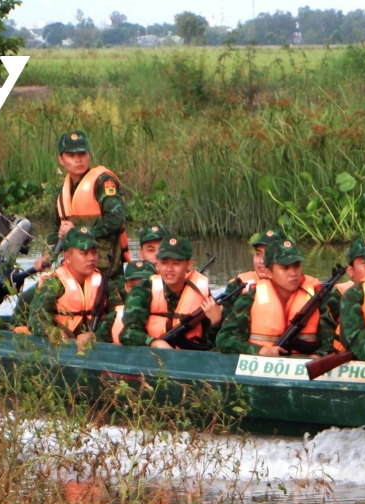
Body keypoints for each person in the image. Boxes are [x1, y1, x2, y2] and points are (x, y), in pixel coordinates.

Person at [214, 239, 331, 357]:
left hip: (305, 366)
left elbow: (330, 339)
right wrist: (259, 350)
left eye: (297, 266)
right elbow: (224, 339)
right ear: (269, 272)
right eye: (285, 268)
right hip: (260, 366)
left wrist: (319, 355)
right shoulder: (250, 298)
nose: (293, 273)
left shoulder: (315, 298)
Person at [50, 131, 128, 286]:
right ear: (61, 159)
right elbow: (57, 231)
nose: (78, 159)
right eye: (71, 155)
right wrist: (48, 255)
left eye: (82, 154)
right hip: (74, 270)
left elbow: (116, 220)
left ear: (89, 155)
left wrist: (77, 230)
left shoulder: (104, 182)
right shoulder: (63, 192)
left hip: (106, 269)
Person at [117, 236, 221, 349]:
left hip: (191, 360)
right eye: (164, 263)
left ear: (189, 264)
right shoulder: (144, 289)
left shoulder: (201, 292)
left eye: (176, 263)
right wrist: (154, 343)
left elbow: (211, 345)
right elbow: (128, 333)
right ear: (157, 264)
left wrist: (216, 323)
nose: (169, 269)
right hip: (151, 358)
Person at [19, 226, 113, 348]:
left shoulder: (104, 282)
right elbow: (37, 318)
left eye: (94, 252)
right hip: (64, 343)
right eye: (84, 253)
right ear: (68, 257)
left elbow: (118, 314)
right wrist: (52, 331)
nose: (91, 258)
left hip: (95, 343)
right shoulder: (54, 283)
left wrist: (97, 335)